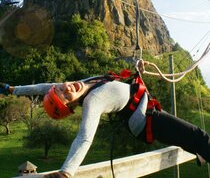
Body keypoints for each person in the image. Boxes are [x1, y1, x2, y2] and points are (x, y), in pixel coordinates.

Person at [0, 69, 210, 178]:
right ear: (71, 106)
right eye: (65, 94)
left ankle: (198, 151)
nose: (65, 87)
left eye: (60, 88)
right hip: (147, 121)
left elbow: (41, 87)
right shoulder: (93, 100)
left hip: (148, 109)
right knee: (199, 136)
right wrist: (66, 172)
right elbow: (84, 137)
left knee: (190, 138)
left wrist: (11, 89)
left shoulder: (79, 85)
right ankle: (200, 148)